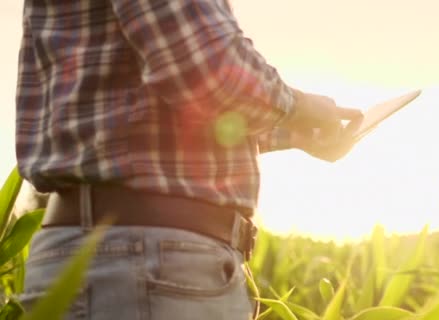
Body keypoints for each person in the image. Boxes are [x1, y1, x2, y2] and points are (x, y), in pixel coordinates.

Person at [15, 0, 362, 319]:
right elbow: (201, 66)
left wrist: (296, 132)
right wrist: (298, 109)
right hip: (144, 259)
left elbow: (144, 113)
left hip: (120, 257)